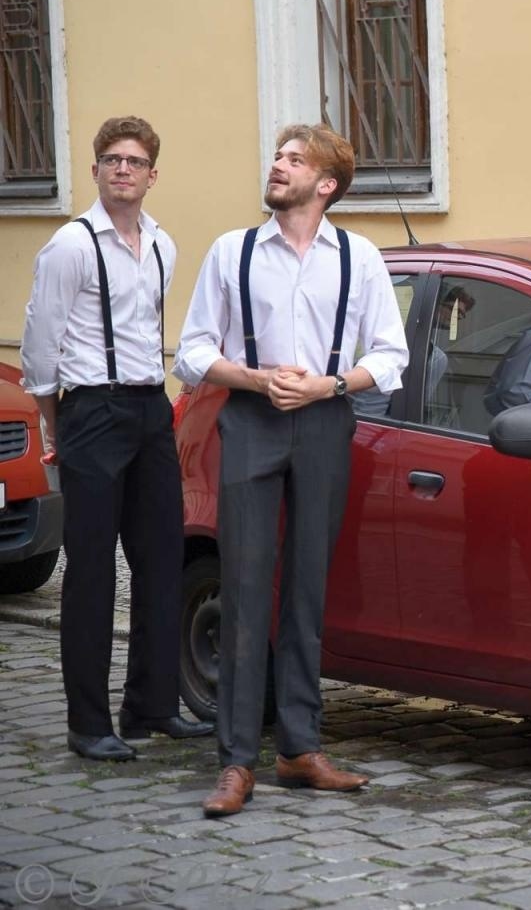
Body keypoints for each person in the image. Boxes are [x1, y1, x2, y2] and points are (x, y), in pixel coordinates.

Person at [176, 124, 408, 817]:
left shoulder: (358, 258)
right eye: (278, 158)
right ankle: (236, 761)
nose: (278, 167)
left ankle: (299, 748)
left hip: (324, 422)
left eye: (294, 160)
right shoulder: (232, 252)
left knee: (308, 587)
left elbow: (391, 356)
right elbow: (190, 352)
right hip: (250, 419)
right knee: (245, 589)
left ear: (326, 185)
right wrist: (250, 376)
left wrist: (330, 387)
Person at [20, 116, 214, 762]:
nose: (122, 169)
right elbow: (40, 346)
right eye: (111, 159)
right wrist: (56, 421)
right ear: (97, 170)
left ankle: (151, 707)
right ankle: (88, 722)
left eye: (134, 160)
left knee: (160, 560)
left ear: (152, 175)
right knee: (93, 571)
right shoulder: (71, 246)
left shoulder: (162, 245)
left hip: (147, 407)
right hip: (91, 411)